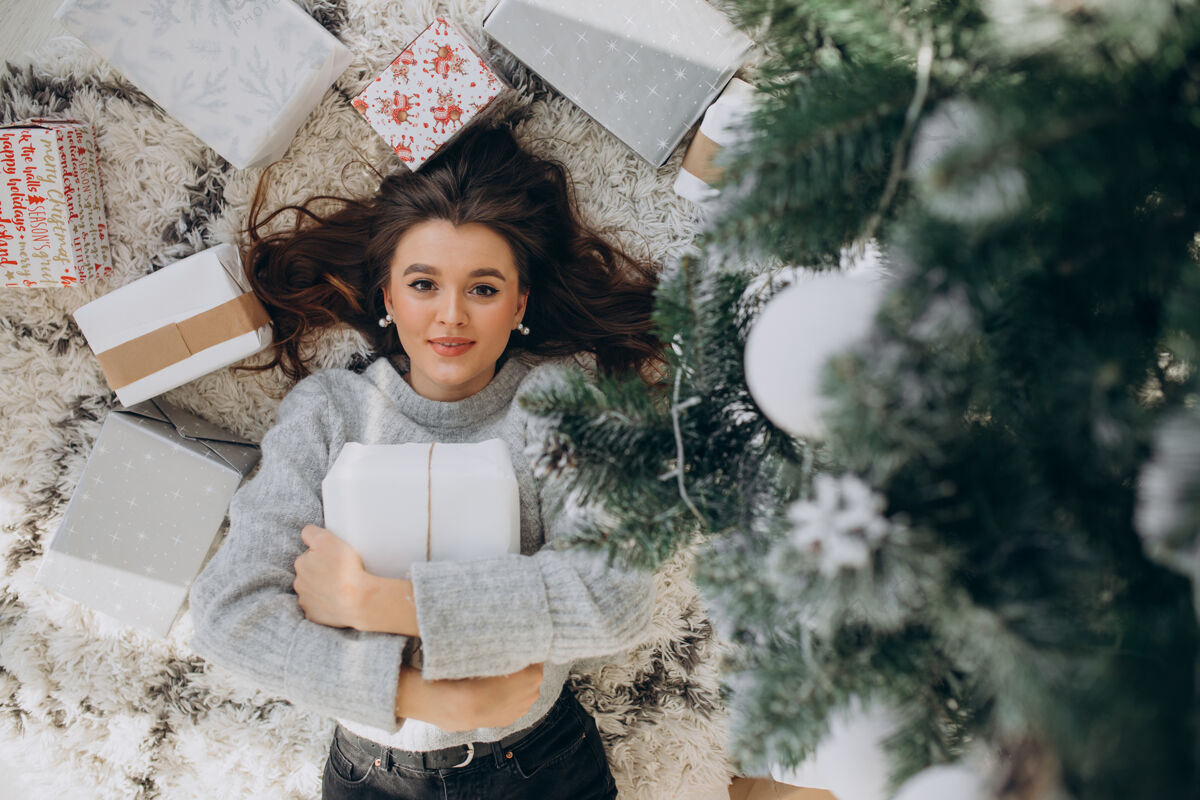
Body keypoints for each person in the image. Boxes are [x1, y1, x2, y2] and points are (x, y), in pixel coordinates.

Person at [187, 124, 665, 800]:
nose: (451, 317)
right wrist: (431, 699)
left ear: (519, 304)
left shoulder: (558, 401)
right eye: (423, 284)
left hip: (538, 765)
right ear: (387, 296)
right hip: (373, 773)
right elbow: (228, 614)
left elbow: (615, 596)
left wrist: (375, 601)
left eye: (483, 289)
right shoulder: (329, 412)